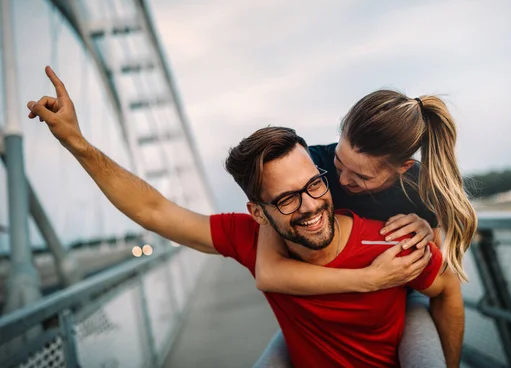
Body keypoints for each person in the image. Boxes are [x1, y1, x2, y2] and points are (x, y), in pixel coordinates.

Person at [27, 67, 464, 367]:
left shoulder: (395, 236)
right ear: (257, 212)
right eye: (287, 199)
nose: (311, 204)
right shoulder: (256, 231)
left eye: (316, 185)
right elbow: (153, 209)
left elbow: (447, 290)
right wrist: (75, 140)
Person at [254, 90, 477, 368]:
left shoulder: (419, 190)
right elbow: (268, 272)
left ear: (403, 168)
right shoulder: (309, 169)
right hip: (318, 303)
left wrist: (424, 230)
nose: (343, 179)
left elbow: (441, 281)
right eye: (338, 161)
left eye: (361, 177)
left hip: (397, 301)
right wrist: (370, 278)